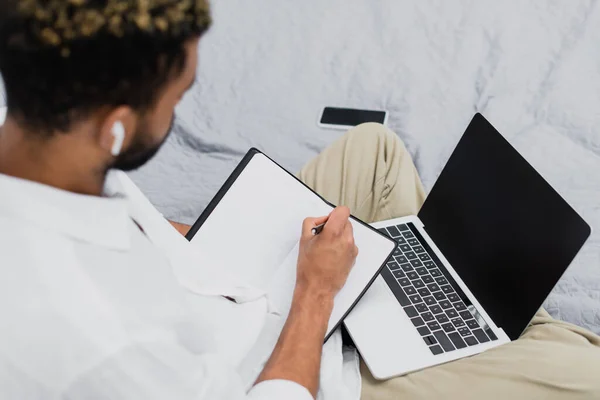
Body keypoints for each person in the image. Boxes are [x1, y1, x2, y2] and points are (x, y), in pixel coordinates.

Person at [0, 1, 599, 399]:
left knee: (375, 149)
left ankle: (449, 297)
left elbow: (134, 234)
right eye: (175, 98)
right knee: (584, 373)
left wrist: (221, 236)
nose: (178, 109)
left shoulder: (41, 145)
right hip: (293, 364)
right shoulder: (96, 349)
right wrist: (316, 291)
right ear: (117, 124)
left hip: (240, 289)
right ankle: (483, 328)